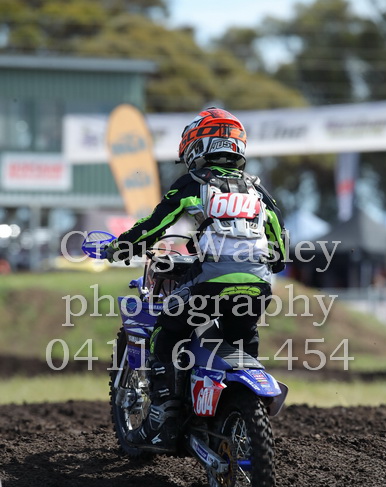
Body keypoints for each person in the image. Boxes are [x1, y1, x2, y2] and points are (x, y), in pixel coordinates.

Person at [106, 107, 287, 452]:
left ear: (198, 146)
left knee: (165, 331)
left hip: (209, 282)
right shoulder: (258, 190)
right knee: (242, 336)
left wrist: (121, 246)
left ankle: (167, 412)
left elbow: (155, 225)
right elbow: (279, 248)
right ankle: (232, 409)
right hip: (258, 285)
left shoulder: (195, 183)